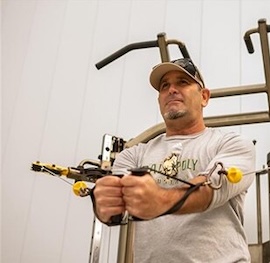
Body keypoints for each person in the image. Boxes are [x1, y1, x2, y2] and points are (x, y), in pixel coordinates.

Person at [92, 58, 256, 262]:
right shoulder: (133, 155)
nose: (172, 90)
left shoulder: (232, 144)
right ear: (159, 100)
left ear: (204, 97)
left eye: (183, 82)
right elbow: (118, 206)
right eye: (164, 86)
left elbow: (211, 189)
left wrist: (160, 200)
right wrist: (104, 204)